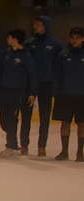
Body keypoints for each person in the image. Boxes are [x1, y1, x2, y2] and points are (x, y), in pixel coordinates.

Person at [22, 16, 63, 156]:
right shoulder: (29, 43)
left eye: (38, 24)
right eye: (34, 24)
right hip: (29, 84)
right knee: (26, 115)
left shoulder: (56, 44)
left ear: (46, 25)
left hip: (46, 84)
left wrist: (56, 84)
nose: (35, 26)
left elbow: (59, 65)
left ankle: (42, 146)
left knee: (44, 117)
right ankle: (24, 145)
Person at [0, 30, 36, 157]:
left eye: (9, 37)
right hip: (5, 90)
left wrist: (32, 92)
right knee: (3, 120)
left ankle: (11, 145)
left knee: (11, 118)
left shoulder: (26, 55)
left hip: (18, 91)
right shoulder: (7, 53)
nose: (7, 39)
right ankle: (12, 140)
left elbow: (32, 74)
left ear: (15, 39)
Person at [51, 26, 84, 161]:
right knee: (65, 122)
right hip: (64, 95)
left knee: (82, 124)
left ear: (83, 39)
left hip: (82, 95)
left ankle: (80, 152)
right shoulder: (63, 54)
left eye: (78, 37)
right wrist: (56, 91)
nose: (74, 40)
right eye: (72, 37)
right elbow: (57, 74)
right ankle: (64, 151)